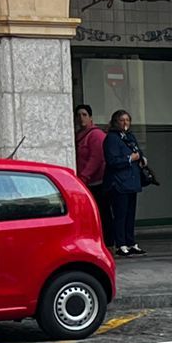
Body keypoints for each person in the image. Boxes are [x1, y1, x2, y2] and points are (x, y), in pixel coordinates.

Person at [102, 108, 146, 256]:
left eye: (127, 120)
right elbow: (112, 161)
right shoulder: (112, 138)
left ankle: (130, 241)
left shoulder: (129, 137)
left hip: (132, 181)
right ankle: (120, 244)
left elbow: (138, 152)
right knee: (120, 214)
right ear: (116, 122)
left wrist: (142, 158)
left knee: (130, 214)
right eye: (122, 120)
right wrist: (129, 159)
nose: (125, 123)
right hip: (118, 182)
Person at [74, 104, 110, 244]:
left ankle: (108, 242)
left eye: (84, 115)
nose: (81, 118)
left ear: (90, 118)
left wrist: (84, 176)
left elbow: (96, 158)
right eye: (78, 115)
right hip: (86, 182)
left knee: (102, 212)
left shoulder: (95, 135)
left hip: (96, 182)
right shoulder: (79, 135)